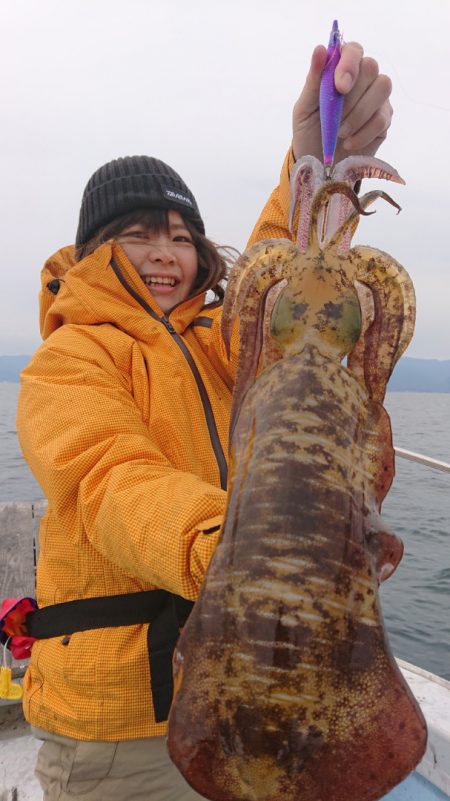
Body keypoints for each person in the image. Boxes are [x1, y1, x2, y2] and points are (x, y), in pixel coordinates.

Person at [16, 42, 393, 801]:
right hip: (120, 729)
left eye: (181, 236)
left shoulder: (228, 342)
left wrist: (312, 161)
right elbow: (111, 479)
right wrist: (249, 545)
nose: (166, 254)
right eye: (139, 234)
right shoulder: (66, 360)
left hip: (241, 682)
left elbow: (285, 288)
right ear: (93, 252)